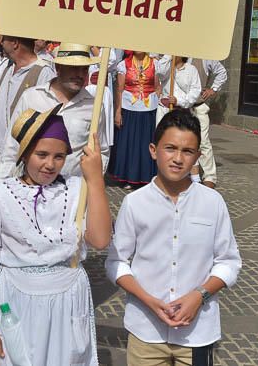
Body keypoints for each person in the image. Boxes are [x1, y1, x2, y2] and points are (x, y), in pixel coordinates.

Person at [0, 106, 110, 366]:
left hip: (68, 300)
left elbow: (101, 240)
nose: (50, 164)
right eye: (42, 154)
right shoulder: (0, 195)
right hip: (16, 301)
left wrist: (95, 181)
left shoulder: (77, 189)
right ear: (24, 153)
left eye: (59, 157)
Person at [105, 109, 241, 366]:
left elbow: (229, 262)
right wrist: (148, 300)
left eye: (187, 151)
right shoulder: (135, 203)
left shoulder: (213, 202)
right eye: (170, 148)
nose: (178, 158)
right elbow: (116, 262)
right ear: (153, 150)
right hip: (146, 331)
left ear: (198, 157)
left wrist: (199, 296)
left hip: (196, 333)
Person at [0, 43, 110, 180]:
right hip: (30, 189)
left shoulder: (94, 107)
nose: (80, 74)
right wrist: (4, 183)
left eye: (84, 69)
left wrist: (89, 186)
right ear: (58, 68)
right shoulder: (32, 97)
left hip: (72, 193)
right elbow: (12, 146)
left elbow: (101, 152)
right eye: (74, 68)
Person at [0, 35, 56, 162]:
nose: (0, 43)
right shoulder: (8, 68)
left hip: (16, 156)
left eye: (4, 40)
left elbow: (45, 119)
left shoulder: (44, 72)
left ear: (15, 43)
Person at [108, 50, 160, 189]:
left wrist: (160, 108)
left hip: (149, 109)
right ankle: (128, 176)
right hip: (129, 107)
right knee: (130, 143)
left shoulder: (154, 63)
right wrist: (118, 111)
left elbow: (157, 87)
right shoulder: (124, 64)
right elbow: (119, 89)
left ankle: (147, 176)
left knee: (146, 143)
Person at [188, 57, 227, 188]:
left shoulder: (204, 57)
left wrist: (213, 89)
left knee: (203, 141)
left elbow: (222, 72)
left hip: (198, 106)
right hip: (180, 106)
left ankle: (210, 176)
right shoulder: (177, 54)